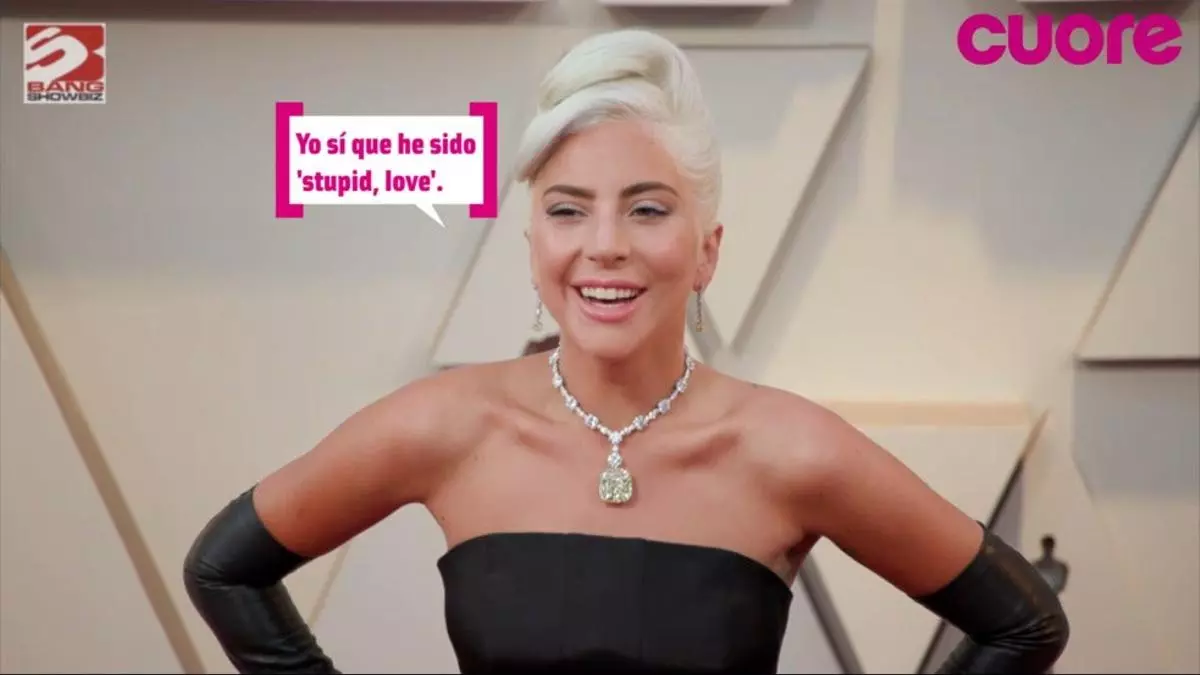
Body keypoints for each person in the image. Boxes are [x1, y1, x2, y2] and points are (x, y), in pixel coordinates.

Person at [183, 29, 1069, 674]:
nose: (604, 245)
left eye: (647, 209)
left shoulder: (792, 448)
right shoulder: (445, 424)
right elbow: (224, 569)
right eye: (568, 210)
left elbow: (1024, 624)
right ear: (534, 244)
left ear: (707, 250)